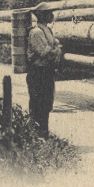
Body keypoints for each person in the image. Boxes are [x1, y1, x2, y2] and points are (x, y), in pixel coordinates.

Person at [26, 8, 62, 139]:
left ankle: (44, 133)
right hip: (37, 71)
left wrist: (55, 48)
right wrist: (56, 51)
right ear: (42, 15)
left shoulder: (47, 30)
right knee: (37, 102)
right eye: (49, 13)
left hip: (46, 70)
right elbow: (43, 52)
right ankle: (35, 134)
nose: (52, 15)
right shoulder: (36, 32)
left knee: (46, 102)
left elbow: (54, 45)